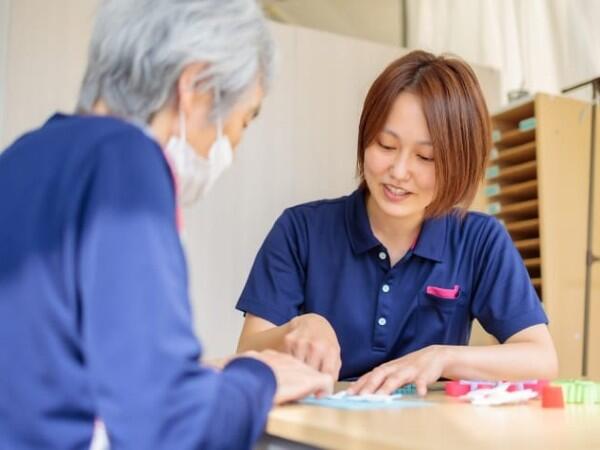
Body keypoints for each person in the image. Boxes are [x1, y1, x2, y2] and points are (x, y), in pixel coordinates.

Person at [0, 1, 333, 449]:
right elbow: (170, 424)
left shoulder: (24, 155)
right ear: (195, 86)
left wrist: (196, 378)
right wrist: (258, 375)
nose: (232, 143)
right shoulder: (126, 163)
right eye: (243, 121)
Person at [236, 50, 558, 396]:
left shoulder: (479, 239)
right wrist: (300, 327)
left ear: (460, 161)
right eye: (385, 145)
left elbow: (541, 358)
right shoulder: (300, 230)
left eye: (425, 157)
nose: (399, 172)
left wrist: (442, 358)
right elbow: (247, 353)